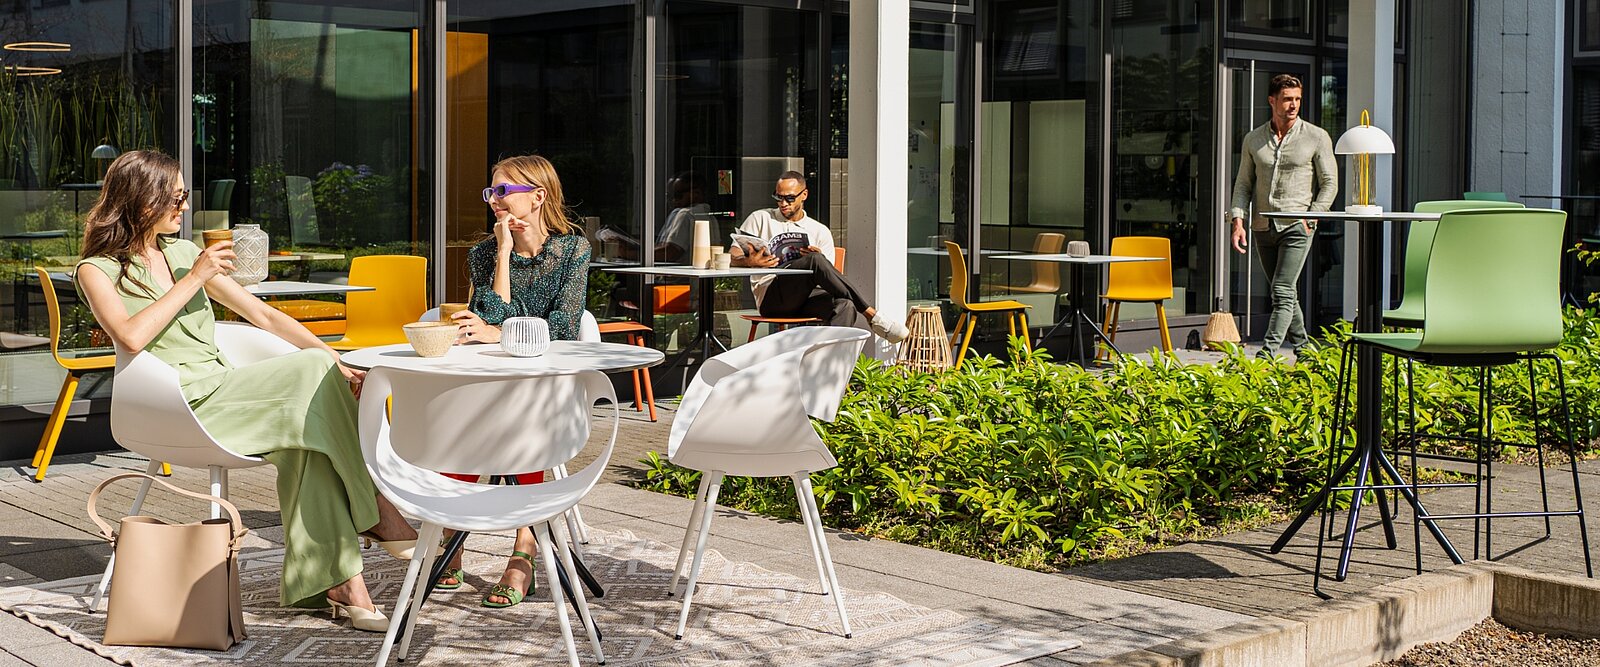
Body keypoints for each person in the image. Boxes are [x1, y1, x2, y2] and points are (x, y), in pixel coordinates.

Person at [75, 150, 418, 632]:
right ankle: (377, 508)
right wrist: (194, 277)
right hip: (177, 402)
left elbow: (265, 316)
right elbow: (129, 337)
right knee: (310, 377)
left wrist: (339, 361)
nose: (184, 206)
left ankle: (343, 586)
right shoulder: (98, 269)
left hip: (226, 387)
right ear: (142, 199)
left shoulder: (181, 251)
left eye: (184, 196)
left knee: (309, 447)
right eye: (176, 196)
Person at [436, 154, 590, 608]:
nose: (494, 201)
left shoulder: (573, 251)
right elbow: (488, 316)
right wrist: (502, 253)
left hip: (546, 384)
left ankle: (524, 546)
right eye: (492, 192)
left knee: (518, 416)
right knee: (466, 418)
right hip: (494, 378)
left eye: (504, 191)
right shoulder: (483, 253)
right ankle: (452, 533)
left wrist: (498, 334)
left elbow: (563, 326)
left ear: (538, 196)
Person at [1228, 73, 1338, 359]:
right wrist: (1238, 222)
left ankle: (1267, 353)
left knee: (1281, 288)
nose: (1294, 105)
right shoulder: (1254, 140)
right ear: (1272, 100)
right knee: (1287, 294)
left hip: (1297, 226)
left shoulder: (1316, 137)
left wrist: (1312, 217)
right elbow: (1243, 184)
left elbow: (1330, 183)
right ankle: (1305, 353)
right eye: (1288, 99)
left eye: (1298, 99)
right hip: (1263, 227)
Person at [730, 171, 909, 343]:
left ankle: (828, 364)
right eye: (778, 197)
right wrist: (749, 262)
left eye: (790, 198)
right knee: (815, 260)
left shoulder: (819, 230)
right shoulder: (760, 218)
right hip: (773, 299)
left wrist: (818, 259)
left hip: (807, 298)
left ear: (804, 195)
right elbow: (733, 255)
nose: (783, 203)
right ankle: (872, 315)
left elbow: (832, 282)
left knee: (845, 304)